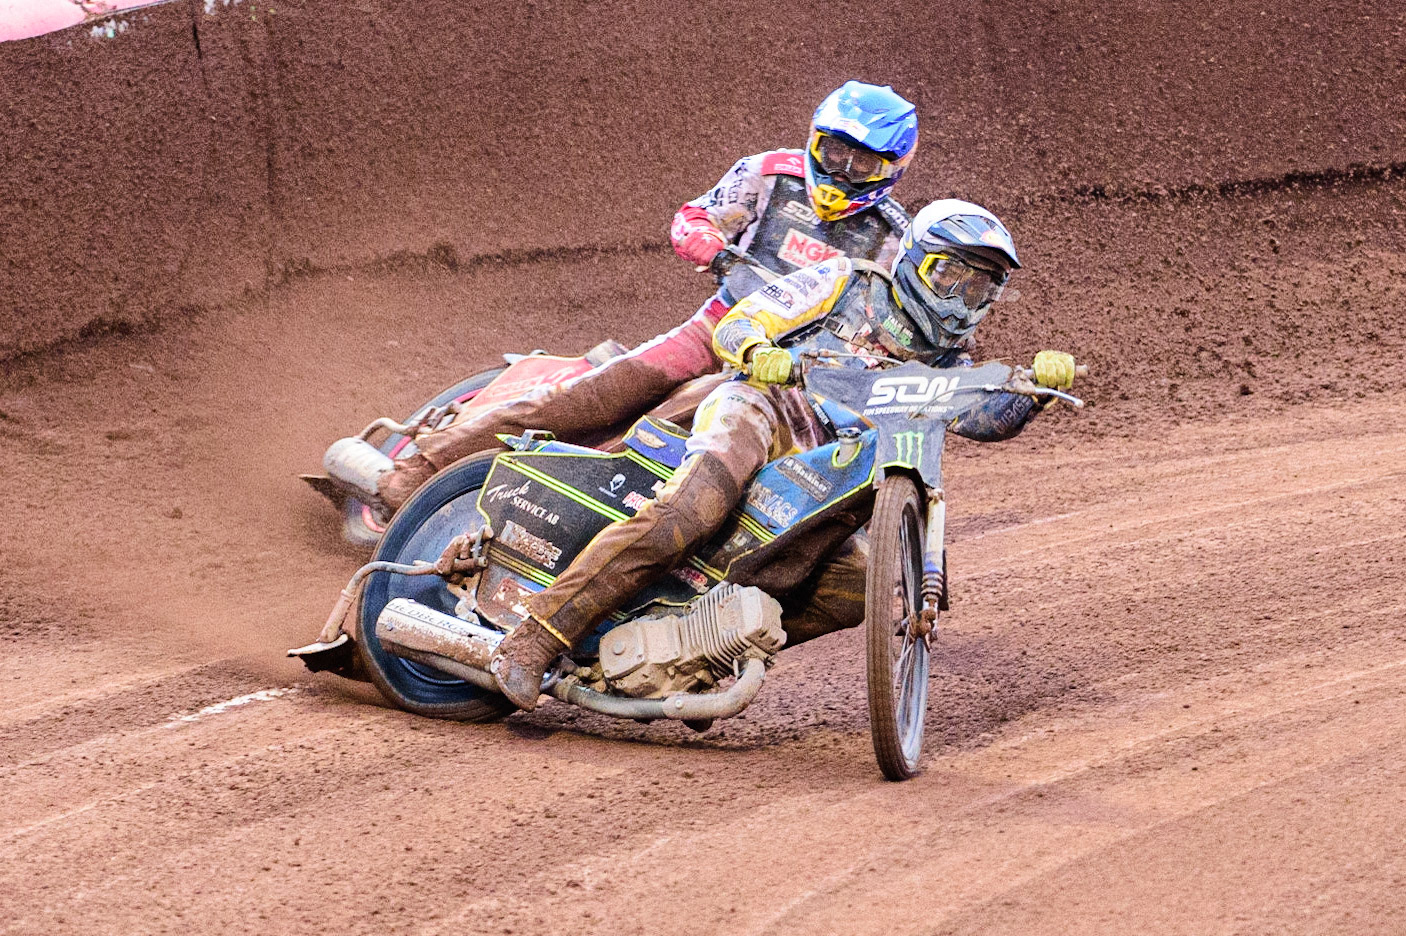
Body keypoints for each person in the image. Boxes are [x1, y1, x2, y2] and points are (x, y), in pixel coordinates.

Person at [487, 199, 1080, 711]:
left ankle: (698, 657)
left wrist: (1033, 393)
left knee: (860, 581)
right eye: (950, 275)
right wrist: (755, 346)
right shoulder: (848, 282)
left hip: (834, 471)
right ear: (912, 261)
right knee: (696, 503)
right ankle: (537, 635)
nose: (960, 299)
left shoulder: (953, 363)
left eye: (980, 287)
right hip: (768, 409)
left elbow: (984, 420)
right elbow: (745, 320)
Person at [365, 81, 920, 513]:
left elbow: (892, 330)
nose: (843, 170)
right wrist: (721, 255)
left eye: (863, 162)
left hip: (792, 371)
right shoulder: (771, 174)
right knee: (599, 396)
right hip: (718, 328)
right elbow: (692, 218)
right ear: (815, 138)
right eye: (835, 151)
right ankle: (416, 470)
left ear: (892, 168)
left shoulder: (898, 239)